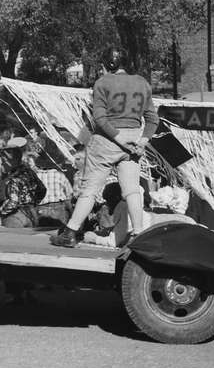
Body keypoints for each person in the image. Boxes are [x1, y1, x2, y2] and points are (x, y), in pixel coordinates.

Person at [51, 50, 157, 248]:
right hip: (134, 139)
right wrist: (142, 141)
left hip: (107, 140)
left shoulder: (103, 83)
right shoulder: (142, 83)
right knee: (132, 190)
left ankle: (70, 233)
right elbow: (152, 119)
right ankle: (138, 234)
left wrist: (118, 138)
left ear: (109, 65)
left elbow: (100, 118)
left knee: (89, 190)